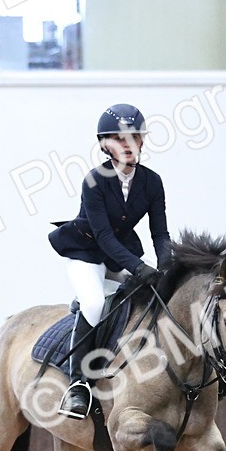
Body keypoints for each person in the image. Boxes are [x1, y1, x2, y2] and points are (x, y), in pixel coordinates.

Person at [48, 103, 173, 419]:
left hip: (122, 255)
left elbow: (160, 232)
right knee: (92, 304)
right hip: (87, 252)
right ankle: (78, 385)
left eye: (133, 138)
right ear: (105, 145)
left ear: (142, 141)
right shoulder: (94, 180)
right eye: (119, 139)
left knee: (153, 299)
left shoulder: (152, 182)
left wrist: (167, 266)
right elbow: (103, 237)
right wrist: (139, 267)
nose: (127, 145)